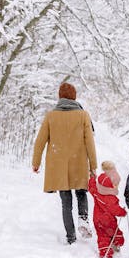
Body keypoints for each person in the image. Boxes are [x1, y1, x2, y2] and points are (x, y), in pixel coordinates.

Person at [32, 82, 97, 244]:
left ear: (59, 96)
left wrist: (36, 162)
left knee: (65, 201)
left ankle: (71, 237)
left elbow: (40, 141)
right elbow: (90, 142)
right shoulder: (83, 115)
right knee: (81, 193)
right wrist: (93, 166)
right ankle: (83, 219)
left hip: (59, 165)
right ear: (74, 97)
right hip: (79, 162)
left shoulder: (51, 116)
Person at [88, 161, 127, 258]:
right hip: (108, 221)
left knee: (102, 237)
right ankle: (115, 246)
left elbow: (91, 187)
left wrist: (92, 178)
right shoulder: (110, 198)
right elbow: (115, 210)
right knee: (115, 233)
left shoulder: (97, 190)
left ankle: (105, 254)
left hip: (97, 220)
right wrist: (123, 212)